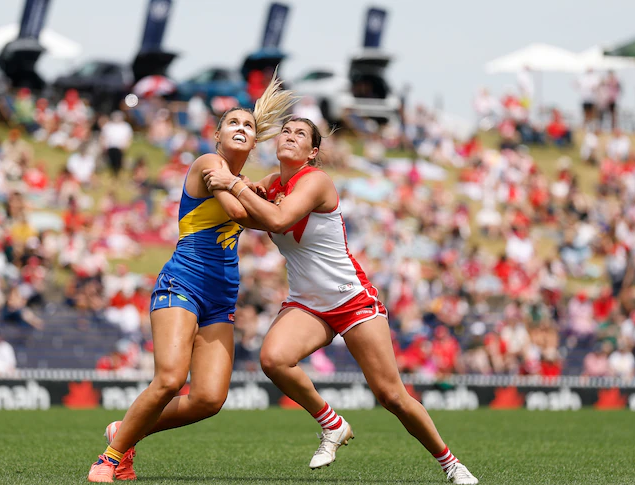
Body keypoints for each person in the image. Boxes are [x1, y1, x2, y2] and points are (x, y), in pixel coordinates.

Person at [203, 117, 479, 484]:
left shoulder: (316, 181)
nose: (290, 136)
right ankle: (332, 424)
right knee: (273, 359)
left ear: (312, 152)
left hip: (350, 299)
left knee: (392, 396)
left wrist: (234, 183)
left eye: (300, 134)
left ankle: (451, 464)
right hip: (307, 303)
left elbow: (280, 219)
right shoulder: (269, 184)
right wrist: (237, 185)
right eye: (286, 130)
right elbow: (251, 216)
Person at [86, 74, 297, 483]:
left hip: (221, 296)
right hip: (182, 282)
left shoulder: (239, 182)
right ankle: (110, 457)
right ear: (217, 136)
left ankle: (124, 431)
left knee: (208, 398)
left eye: (248, 126)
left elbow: (264, 217)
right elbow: (242, 216)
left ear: (254, 143)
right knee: (169, 378)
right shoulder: (208, 164)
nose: (241, 128)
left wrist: (258, 193)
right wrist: (262, 198)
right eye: (233, 123)